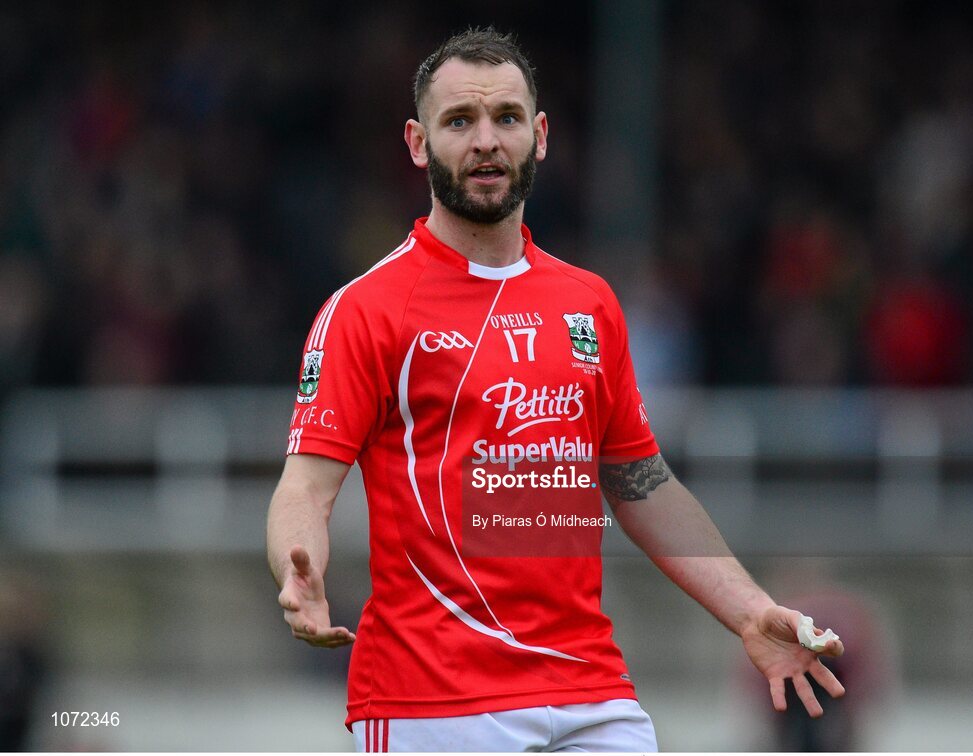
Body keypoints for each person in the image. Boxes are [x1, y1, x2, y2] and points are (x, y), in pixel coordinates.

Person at [266, 27, 845, 753]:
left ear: (540, 136)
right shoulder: (367, 309)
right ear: (417, 143)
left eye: (506, 118)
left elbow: (643, 486)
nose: (486, 141)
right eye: (459, 122)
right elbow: (305, 487)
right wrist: (301, 569)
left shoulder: (589, 303)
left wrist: (751, 610)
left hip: (590, 692)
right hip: (433, 701)